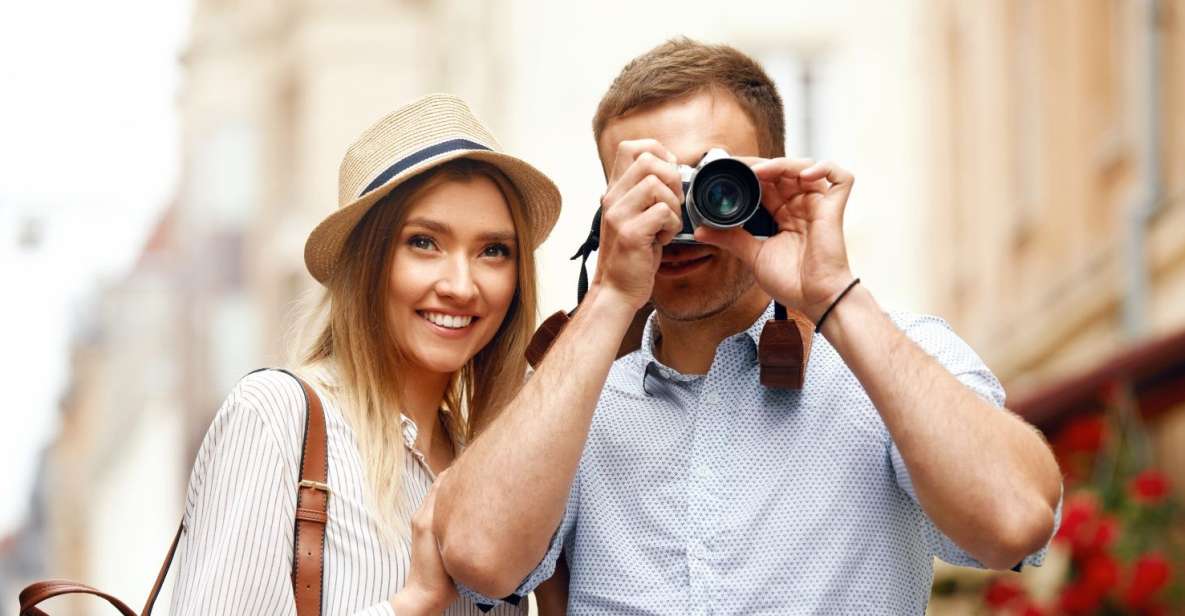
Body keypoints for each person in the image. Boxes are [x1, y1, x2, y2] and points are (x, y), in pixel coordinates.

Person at [431, 39, 1064, 614]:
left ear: (766, 180)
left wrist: (832, 295)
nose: (678, 218)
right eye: (648, 188)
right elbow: (481, 561)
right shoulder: (570, 397)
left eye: (707, 179)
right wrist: (612, 294)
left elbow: (1015, 523)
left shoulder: (893, 356)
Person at [169, 93, 567, 615]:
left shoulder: (490, 466)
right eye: (424, 242)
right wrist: (412, 603)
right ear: (367, 263)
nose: (462, 285)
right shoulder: (277, 418)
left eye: (493, 251)